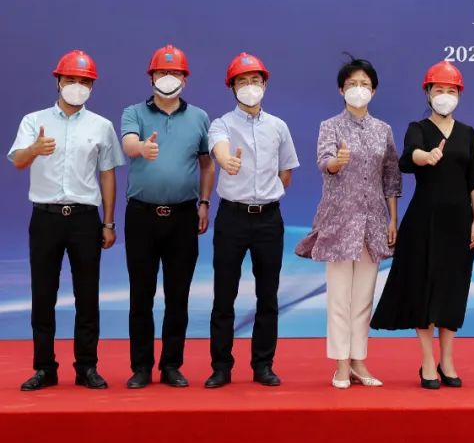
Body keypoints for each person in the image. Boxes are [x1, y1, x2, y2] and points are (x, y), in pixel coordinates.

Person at [8, 50, 124, 391]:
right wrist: (35, 149)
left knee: (87, 296)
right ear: (58, 81)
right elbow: (18, 161)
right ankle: (44, 368)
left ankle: (87, 367)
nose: (77, 86)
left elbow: (107, 175)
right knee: (43, 295)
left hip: (85, 220)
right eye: (70, 79)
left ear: (92, 86)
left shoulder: (101, 126)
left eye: (84, 81)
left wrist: (108, 222)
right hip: (46, 218)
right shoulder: (34, 121)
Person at [371, 61, 474, 390]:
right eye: (439, 90)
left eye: (451, 90)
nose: (445, 95)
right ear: (428, 92)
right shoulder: (418, 128)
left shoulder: (467, 133)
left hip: (459, 224)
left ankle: (447, 360)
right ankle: (426, 361)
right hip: (423, 222)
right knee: (423, 290)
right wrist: (426, 156)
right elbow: (409, 158)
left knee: (452, 290)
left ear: (459, 94)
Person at [295, 56, 401, 389]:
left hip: (373, 223)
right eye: (352, 84)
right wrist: (336, 163)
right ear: (341, 90)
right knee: (339, 297)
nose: (358, 89)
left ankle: (359, 361)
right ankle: (341, 364)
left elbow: (391, 178)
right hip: (340, 222)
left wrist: (393, 219)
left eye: (364, 84)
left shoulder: (383, 130)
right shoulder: (330, 126)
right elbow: (324, 161)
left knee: (364, 297)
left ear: (374, 90)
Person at [120, 44, 214, 389]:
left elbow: (206, 165)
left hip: (183, 216)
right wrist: (142, 148)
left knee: (178, 295)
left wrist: (204, 202)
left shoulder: (199, 117)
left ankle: (171, 365)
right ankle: (141, 367)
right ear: (151, 77)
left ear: (185, 79)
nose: (168, 78)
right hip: (142, 216)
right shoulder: (134, 112)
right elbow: (129, 143)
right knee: (140, 295)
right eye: (162, 72)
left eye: (175, 73)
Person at [205, 53, 300, 389]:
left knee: (268, 296)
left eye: (255, 81)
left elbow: (286, 171)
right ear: (231, 87)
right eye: (242, 81)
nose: (249, 87)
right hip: (231, 218)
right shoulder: (221, 124)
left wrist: (267, 195)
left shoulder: (278, 127)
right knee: (224, 295)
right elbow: (220, 149)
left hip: (268, 220)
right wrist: (226, 162)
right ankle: (221, 367)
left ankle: (263, 365)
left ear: (265, 85)